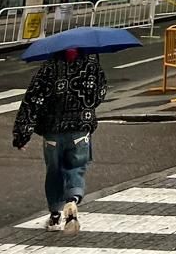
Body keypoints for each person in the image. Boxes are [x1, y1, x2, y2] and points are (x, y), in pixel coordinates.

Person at [11, 47, 108, 232]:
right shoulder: (92, 66)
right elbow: (99, 94)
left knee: (54, 172)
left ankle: (55, 216)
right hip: (80, 130)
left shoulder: (49, 68)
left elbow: (33, 100)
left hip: (52, 133)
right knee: (76, 168)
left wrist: (22, 134)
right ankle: (72, 200)